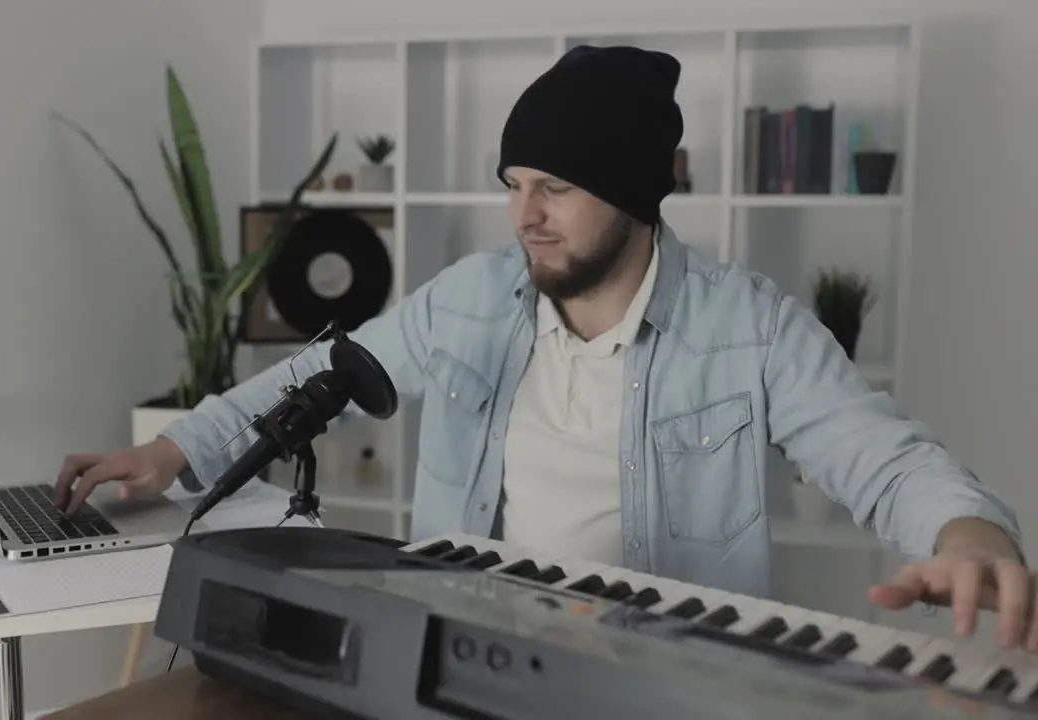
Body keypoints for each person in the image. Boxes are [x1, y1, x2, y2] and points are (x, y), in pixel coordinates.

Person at [54, 45, 1034, 651]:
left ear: (633, 193)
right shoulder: (472, 299)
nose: (523, 215)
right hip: (456, 652)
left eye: (553, 187)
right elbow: (316, 374)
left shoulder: (751, 328)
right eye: (513, 182)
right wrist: (170, 452)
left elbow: (883, 457)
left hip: (660, 674)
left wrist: (969, 537)